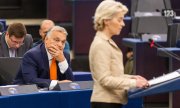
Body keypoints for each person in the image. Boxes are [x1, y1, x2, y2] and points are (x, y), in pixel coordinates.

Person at [89, 0, 149, 108]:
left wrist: (132, 78)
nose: (123, 24)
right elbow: (105, 79)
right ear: (107, 20)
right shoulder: (100, 44)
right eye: (120, 19)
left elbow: (113, 75)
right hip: (105, 103)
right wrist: (134, 84)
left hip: (111, 102)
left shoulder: (107, 42)